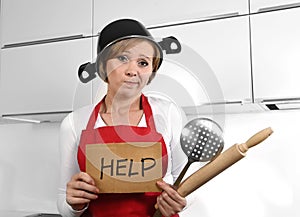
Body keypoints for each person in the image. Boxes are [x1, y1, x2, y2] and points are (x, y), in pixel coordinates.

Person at [57, 18, 190, 217]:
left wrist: (181, 202)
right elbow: (62, 200)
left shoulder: (169, 113)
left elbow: (187, 182)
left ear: (151, 71)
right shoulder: (74, 123)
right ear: (103, 67)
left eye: (143, 62)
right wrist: (73, 204)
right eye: (122, 58)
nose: (132, 70)